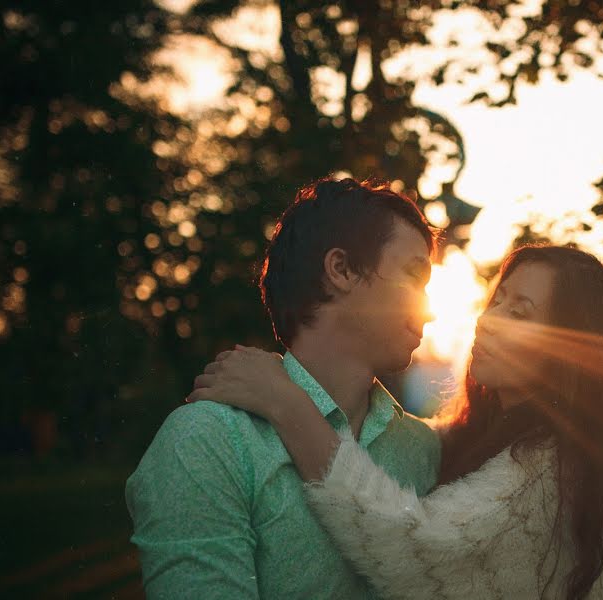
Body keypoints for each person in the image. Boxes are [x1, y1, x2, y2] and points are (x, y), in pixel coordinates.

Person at [190, 244, 603, 599]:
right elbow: (428, 443)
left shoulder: (556, 468)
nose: (490, 320)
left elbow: (408, 546)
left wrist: (288, 405)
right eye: (498, 300)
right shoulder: (504, 433)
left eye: (520, 312)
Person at [126, 177, 442, 599]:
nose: (431, 311)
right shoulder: (206, 440)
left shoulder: (424, 451)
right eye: (413, 276)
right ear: (341, 270)